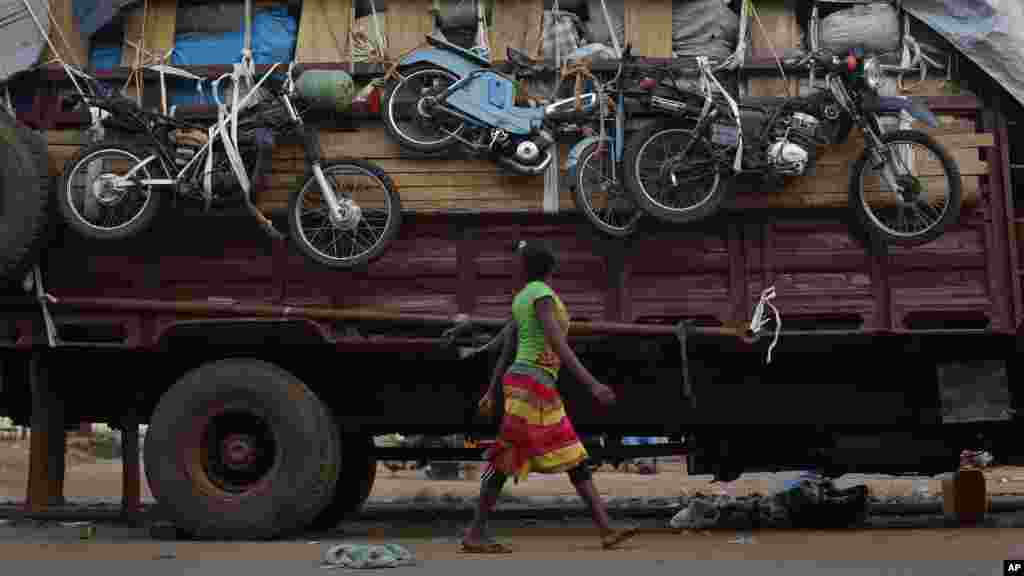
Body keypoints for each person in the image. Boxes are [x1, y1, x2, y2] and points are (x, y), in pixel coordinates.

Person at [461, 239, 638, 553]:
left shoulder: (522, 297)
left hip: (528, 382)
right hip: (532, 384)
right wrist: (593, 384)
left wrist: (491, 388)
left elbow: (506, 345)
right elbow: (557, 342)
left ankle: (607, 530)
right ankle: (474, 534)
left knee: (572, 454)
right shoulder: (541, 296)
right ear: (552, 268)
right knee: (506, 458)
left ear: (525, 268)